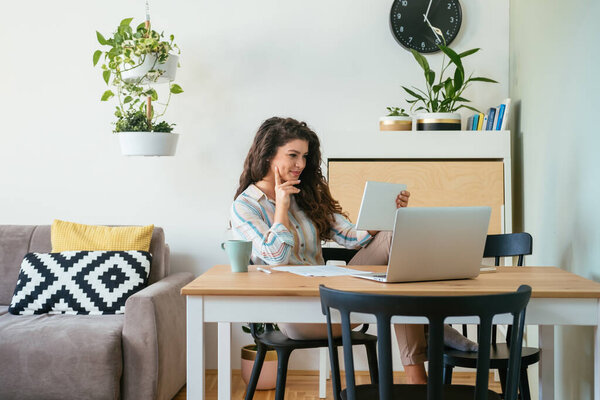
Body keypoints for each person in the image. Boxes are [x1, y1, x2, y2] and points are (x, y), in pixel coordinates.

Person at [230, 116, 475, 384]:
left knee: (393, 236)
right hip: (297, 314)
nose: (301, 164)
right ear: (267, 155)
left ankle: (423, 357)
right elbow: (275, 256)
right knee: (396, 295)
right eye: (293, 155)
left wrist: (386, 214)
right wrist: (282, 208)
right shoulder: (246, 206)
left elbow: (349, 237)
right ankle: (428, 340)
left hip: (338, 297)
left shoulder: (307, 194)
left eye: (305, 156)